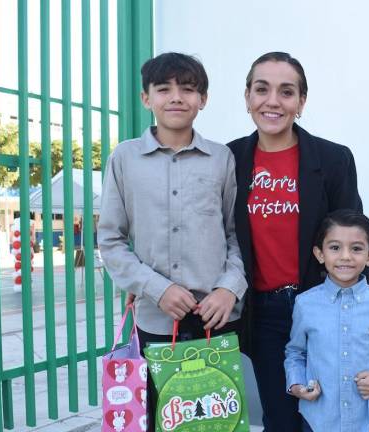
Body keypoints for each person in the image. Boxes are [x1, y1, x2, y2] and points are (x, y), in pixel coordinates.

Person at [227, 51, 369, 431]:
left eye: (287, 92)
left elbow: (355, 237)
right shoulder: (230, 159)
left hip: (328, 309)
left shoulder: (332, 159)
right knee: (281, 421)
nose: (273, 101)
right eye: (262, 89)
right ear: (247, 96)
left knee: (342, 417)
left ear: (301, 102)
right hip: (264, 314)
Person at [97, 52, 247, 430]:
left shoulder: (221, 158)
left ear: (203, 99)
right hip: (156, 318)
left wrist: (229, 289)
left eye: (188, 89)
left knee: (216, 417)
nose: (176, 97)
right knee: (164, 418)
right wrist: (156, 288)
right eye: (164, 89)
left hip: (217, 317)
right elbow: (110, 240)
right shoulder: (124, 158)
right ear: (146, 98)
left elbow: (236, 234)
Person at [284, 210, 369, 432]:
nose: (345, 256)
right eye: (335, 247)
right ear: (320, 254)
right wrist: (296, 384)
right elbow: (296, 352)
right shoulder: (305, 304)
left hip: (366, 417)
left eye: (356, 249)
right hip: (318, 417)